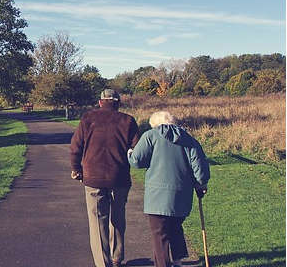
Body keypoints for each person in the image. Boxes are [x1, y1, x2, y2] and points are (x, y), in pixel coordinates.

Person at [128, 111, 210, 267]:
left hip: (157, 196)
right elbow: (199, 168)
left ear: (155, 124)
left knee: (160, 234)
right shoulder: (189, 139)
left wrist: (130, 152)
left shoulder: (150, 136)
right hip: (182, 194)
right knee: (175, 226)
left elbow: (137, 161)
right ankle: (177, 260)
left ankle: (163, 264)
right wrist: (201, 184)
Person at [70, 89, 140, 267]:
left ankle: (103, 263)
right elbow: (137, 150)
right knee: (118, 218)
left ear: (101, 102)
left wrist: (76, 169)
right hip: (120, 177)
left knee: (97, 221)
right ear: (117, 103)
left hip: (93, 177)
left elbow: (76, 146)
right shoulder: (128, 120)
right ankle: (117, 258)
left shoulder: (87, 118)